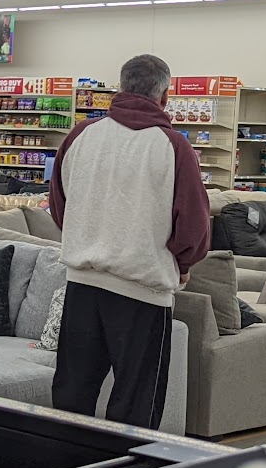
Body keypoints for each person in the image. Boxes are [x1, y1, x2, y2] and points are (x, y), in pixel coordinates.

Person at [47, 54, 210, 429]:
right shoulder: (173, 146)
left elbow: (59, 206)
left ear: (120, 88)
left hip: (81, 285)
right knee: (137, 403)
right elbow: (194, 224)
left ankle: (64, 461)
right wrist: (184, 263)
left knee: (72, 395)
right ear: (164, 96)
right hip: (142, 291)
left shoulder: (81, 135)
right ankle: (126, 466)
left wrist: (86, 235)